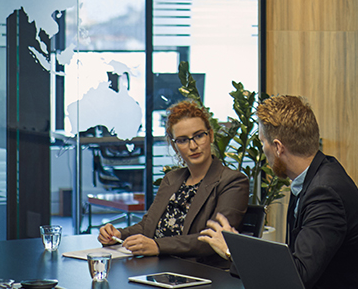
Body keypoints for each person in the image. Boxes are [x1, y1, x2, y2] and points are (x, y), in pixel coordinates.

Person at [199, 95, 358, 289]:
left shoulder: (325, 192)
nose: (263, 151)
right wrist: (240, 245)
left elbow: (298, 276)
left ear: (278, 147)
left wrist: (232, 252)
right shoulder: (313, 176)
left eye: (263, 142)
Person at [96, 100, 248, 266]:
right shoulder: (172, 179)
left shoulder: (232, 181)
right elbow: (148, 226)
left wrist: (158, 246)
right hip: (157, 266)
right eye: (182, 140)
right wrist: (118, 234)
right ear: (175, 146)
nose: (193, 146)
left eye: (199, 136)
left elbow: (213, 238)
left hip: (198, 271)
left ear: (210, 135)